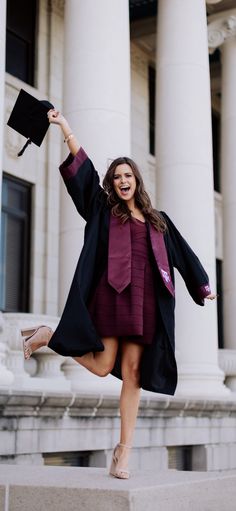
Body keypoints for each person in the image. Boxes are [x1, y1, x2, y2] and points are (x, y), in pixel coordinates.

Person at [21, 109, 216, 479]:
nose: (122, 181)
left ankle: (123, 452)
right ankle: (48, 335)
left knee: (133, 376)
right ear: (112, 184)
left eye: (128, 175)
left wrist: (202, 286)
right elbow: (84, 175)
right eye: (117, 177)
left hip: (145, 305)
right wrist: (65, 129)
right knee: (100, 366)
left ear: (136, 180)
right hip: (112, 298)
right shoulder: (102, 210)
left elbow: (184, 256)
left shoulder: (159, 221)